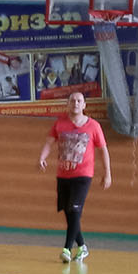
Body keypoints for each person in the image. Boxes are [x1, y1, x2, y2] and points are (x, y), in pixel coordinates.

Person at [39, 91, 111, 262]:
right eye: (72, 101)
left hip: (83, 175)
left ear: (84, 105)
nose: (76, 103)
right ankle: (82, 247)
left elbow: (103, 150)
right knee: (69, 212)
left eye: (79, 101)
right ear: (68, 104)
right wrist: (42, 157)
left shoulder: (93, 126)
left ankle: (66, 249)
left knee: (75, 210)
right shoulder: (60, 124)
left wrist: (107, 173)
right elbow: (49, 142)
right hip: (63, 175)